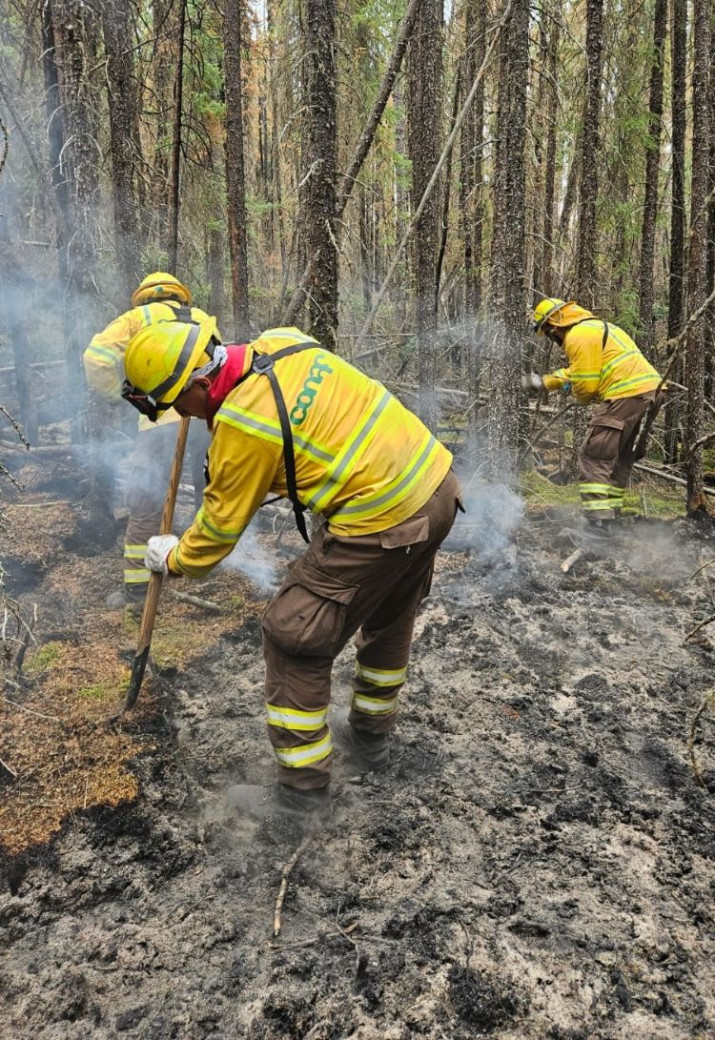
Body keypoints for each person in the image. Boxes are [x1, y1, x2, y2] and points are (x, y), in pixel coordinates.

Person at [121, 318, 462, 821]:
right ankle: (371, 739)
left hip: (382, 517)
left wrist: (171, 556)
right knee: (389, 612)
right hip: (436, 486)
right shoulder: (283, 340)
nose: (176, 414)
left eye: (175, 402)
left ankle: (302, 798)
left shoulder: (242, 426)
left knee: (292, 633)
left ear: (199, 385)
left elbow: (214, 538)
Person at [83, 273, 213, 608]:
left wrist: (121, 395)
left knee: (144, 503)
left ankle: (138, 592)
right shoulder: (200, 319)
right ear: (180, 297)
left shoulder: (137, 318)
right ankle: (207, 567)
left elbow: (96, 357)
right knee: (211, 492)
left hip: (160, 423)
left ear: (143, 298)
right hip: (208, 417)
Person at [525, 297, 662, 543]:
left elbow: (586, 386)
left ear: (554, 326)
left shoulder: (577, 336)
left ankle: (599, 525)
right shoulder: (594, 328)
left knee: (594, 456)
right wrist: (544, 382)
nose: (551, 339)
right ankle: (612, 518)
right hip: (647, 392)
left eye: (547, 333)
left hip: (625, 394)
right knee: (618, 457)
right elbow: (580, 372)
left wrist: (578, 394)